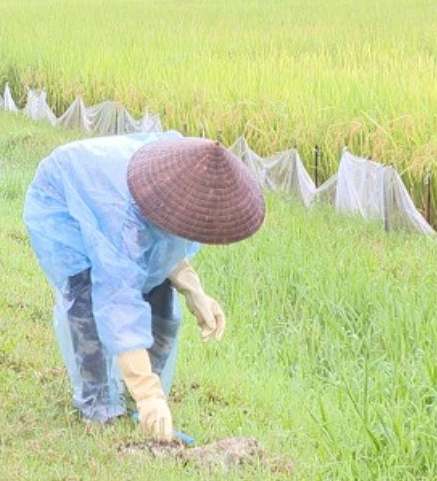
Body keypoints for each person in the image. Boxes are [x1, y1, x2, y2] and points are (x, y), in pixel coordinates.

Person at [22, 132, 265, 440]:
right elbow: (119, 298)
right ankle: (98, 409)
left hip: (113, 191)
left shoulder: (183, 186)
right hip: (64, 201)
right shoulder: (120, 215)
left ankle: (131, 397)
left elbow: (165, 249)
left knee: (162, 305)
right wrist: (149, 395)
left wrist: (195, 292)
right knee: (87, 307)